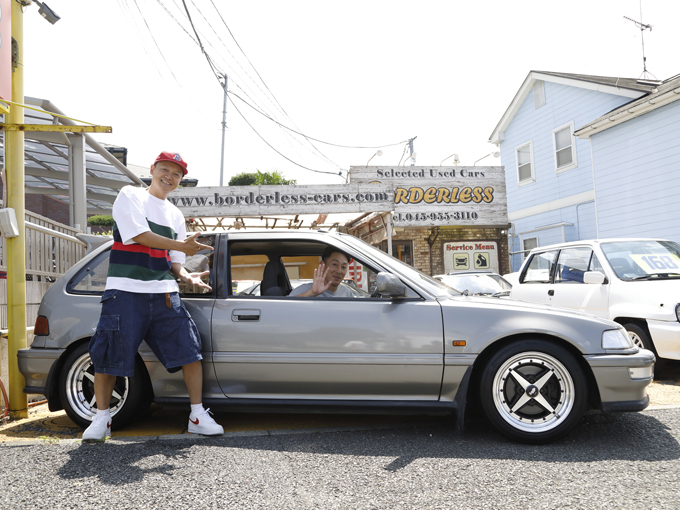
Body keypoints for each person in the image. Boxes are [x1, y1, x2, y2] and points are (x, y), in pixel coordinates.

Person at [82, 151, 224, 440]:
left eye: (176, 174)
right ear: (153, 169)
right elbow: (140, 235)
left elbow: (173, 262)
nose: (169, 177)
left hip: (164, 293)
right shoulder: (130, 195)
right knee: (108, 355)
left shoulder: (175, 214)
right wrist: (182, 247)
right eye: (165, 170)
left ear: (180, 180)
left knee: (189, 351)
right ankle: (101, 420)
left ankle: (197, 415)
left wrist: (186, 276)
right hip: (125, 291)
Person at [289, 246, 356, 298]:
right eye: (335, 264)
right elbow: (283, 308)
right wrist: (311, 293)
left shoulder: (347, 293)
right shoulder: (304, 290)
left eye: (343, 267)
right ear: (322, 265)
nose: (339, 271)